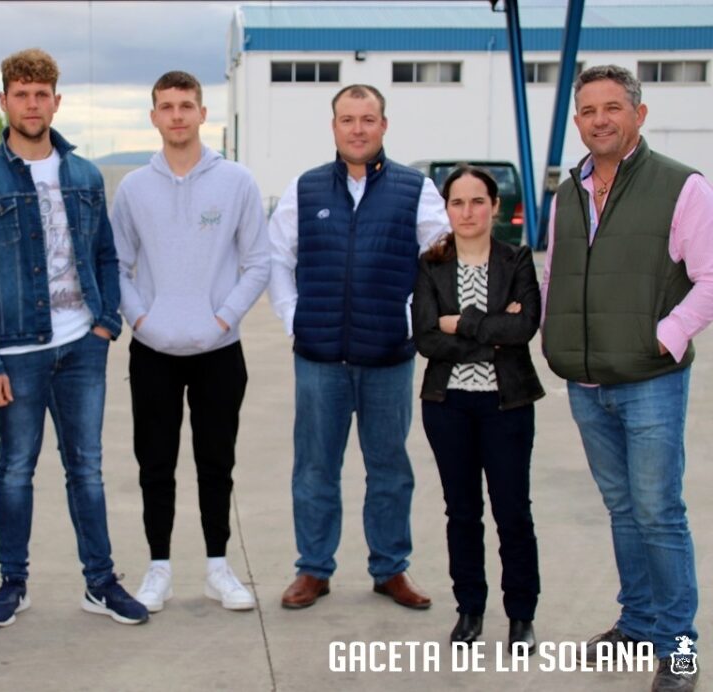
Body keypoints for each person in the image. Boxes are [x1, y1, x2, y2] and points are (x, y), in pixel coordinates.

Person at [0, 48, 147, 627]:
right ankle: (14, 581)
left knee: (86, 467)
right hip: (17, 350)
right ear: (5, 100)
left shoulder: (83, 173)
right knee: (15, 468)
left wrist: (107, 321)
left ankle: (101, 581)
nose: (32, 104)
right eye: (22, 93)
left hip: (82, 346)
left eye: (42, 94)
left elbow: (105, 253)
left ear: (56, 101)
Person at [542, 64, 713, 692]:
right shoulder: (567, 193)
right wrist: (549, 333)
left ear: (639, 114)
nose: (600, 120)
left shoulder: (681, 186)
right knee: (622, 509)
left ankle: (682, 649)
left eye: (613, 107)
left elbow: (711, 279)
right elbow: (556, 275)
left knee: (659, 512)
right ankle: (638, 625)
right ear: (578, 121)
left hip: (649, 379)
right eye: (588, 111)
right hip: (587, 382)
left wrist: (663, 336)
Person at [268, 83, 448, 610]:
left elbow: (440, 259)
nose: (358, 129)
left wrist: (414, 319)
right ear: (334, 127)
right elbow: (278, 259)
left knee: (390, 468)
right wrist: (292, 317)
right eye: (348, 119)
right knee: (314, 468)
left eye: (368, 119)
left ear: (384, 126)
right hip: (319, 358)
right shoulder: (304, 190)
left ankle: (390, 569)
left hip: (388, 357)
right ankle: (313, 569)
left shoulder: (417, 189)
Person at [111, 70, 270, 613]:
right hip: (153, 350)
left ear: (204, 113)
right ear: (153, 116)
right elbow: (117, 264)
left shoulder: (237, 183)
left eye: (186, 105)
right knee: (154, 463)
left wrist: (222, 320)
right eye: (166, 106)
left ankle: (217, 567)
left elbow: (258, 262)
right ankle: (158, 569)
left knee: (215, 462)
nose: (177, 115)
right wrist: (141, 320)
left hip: (218, 352)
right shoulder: (134, 188)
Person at [413, 165, 544, 653]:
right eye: (457, 203)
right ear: (446, 210)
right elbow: (426, 338)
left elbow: (524, 329)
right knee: (462, 512)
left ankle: (521, 616)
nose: (467, 212)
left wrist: (460, 323)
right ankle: (469, 610)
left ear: (493, 207)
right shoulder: (430, 266)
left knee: (513, 513)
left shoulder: (517, 260)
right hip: (448, 406)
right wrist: (491, 331)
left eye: (477, 201)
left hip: (507, 404)